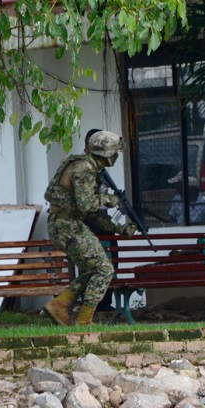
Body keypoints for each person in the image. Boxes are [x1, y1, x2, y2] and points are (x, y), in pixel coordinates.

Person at [42, 130, 137, 326]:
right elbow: (86, 205)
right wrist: (109, 199)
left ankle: (59, 305)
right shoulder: (84, 168)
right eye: (114, 152)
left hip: (66, 224)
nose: (116, 157)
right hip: (67, 225)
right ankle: (84, 320)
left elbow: (92, 214)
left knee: (91, 270)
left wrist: (118, 228)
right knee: (104, 269)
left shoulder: (87, 167)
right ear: (105, 153)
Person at [83, 128, 117, 313]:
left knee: (112, 260)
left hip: (102, 221)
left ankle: (105, 302)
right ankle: (92, 304)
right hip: (87, 222)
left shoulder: (100, 168)